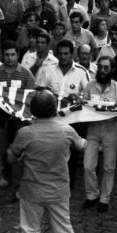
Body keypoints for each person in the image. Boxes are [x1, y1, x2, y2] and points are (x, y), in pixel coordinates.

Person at [8, 89, 85, 233]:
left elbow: (11, 158)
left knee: (30, 231)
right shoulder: (67, 130)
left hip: (31, 191)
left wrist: (10, 153)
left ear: (32, 110)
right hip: (58, 191)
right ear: (54, 109)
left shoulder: (25, 133)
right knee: (64, 230)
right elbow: (81, 146)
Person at [35, 39, 90, 189]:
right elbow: (38, 90)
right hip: (51, 119)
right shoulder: (48, 70)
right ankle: (49, 181)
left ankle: (68, 184)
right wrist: (49, 94)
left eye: (67, 53)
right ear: (56, 54)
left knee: (72, 153)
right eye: (61, 54)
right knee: (50, 150)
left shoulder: (81, 72)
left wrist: (79, 98)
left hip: (73, 120)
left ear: (72, 54)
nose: (64, 57)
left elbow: (89, 95)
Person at [0, 40, 36, 189]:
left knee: (19, 150)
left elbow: (31, 98)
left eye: (12, 55)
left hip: (20, 120)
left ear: (18, 55)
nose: (10, 58)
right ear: (2, 55)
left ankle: (19, 180)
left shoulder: (26, 74)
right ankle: (6, 175)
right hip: (2, 119)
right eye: (7, 55)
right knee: (3, 150)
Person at [82, 56, 117, 213]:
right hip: (92, 129)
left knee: (108, 166)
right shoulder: (89, 85)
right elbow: (84, 105)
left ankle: (104, 198)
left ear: (112, 70)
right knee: (88, 165)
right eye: (100, 67)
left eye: (106, 67)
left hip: (110, 130)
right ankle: (92, 194)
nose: (102, 70)